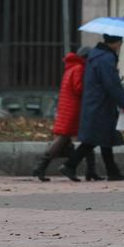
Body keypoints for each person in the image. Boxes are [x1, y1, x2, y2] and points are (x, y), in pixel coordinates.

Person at [59, 34, 124, 181]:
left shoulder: (95, 54)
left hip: (95, 102)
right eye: (121, 42)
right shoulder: (106, 58)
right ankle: (70, 165)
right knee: (94, 139)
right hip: (101, 104)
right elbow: (110, 84)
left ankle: (112, 171)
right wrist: (123, 104)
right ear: (117, 43)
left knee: (105, 137)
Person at [32, 46, 104, 182]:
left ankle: (91, 171)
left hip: (69, 108)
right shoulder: (79, 68)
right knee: (65, 138)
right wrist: (94, 86)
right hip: (73, 109)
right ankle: (40, 167)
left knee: (86, 138)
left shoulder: (72, 67)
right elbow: (79, 88)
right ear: (86, 58)